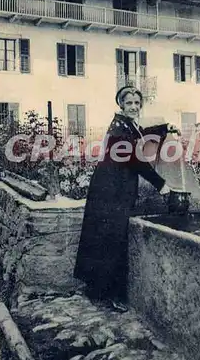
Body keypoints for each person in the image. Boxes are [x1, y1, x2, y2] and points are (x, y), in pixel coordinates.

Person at [74, 86, 178, 312]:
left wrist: (164, 128)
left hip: (111, 187)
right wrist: (160, 183)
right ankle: (113, 296)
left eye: (137, 103)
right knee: (113, 240)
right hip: (110, 191)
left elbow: (142, 131)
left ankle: (96, 290)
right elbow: (134, 160)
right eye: (129, 103)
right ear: (121, 105)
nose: (133, 107)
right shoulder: (119, 129)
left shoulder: (126, 125)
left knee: (102, 238)